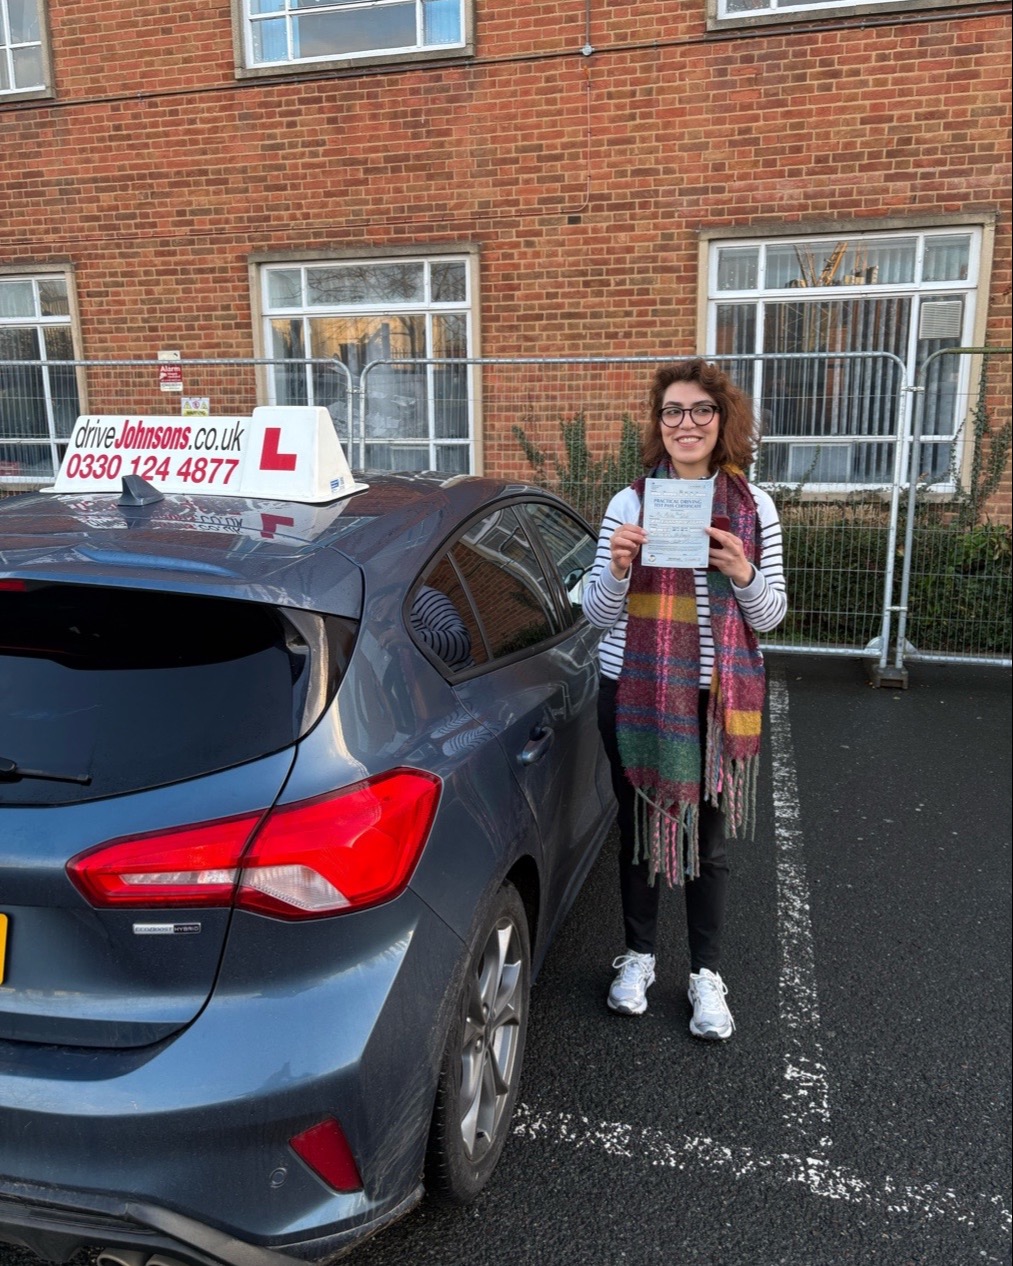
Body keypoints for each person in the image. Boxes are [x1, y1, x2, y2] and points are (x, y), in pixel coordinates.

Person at [582, 359, 787, 1040]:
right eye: (672, 411)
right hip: (635, 690)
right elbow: (595, 614)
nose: (686, 423)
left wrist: (744, 572)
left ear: (722, 421)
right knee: (639, 828)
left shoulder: (755, 507)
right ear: (658, 424)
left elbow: (769, 617)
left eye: (701, 409)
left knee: (710, 840)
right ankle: (638, 956)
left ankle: (705, 974)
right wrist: (613, 568)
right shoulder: (629, 502)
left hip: (718, 696)